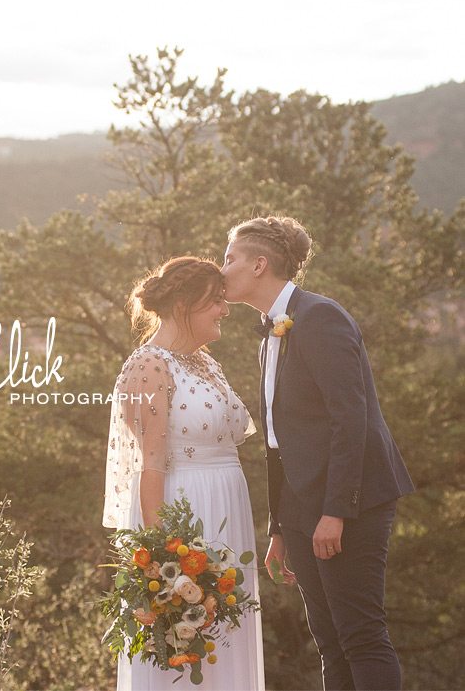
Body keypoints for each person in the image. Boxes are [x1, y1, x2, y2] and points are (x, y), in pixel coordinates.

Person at [221, 216, 415, 691]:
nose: (220, 268)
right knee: (328, 639)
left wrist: (336, 511)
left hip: (351, 500)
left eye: (229, 259)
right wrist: (281, 526)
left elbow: (351, 422)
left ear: (259, 264)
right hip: (301, 506)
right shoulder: (271, 334)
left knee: (361, 635)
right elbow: (278, 440)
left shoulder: (321, 316)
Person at [103, 256, 265, 691]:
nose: (225, 310)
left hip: (227, 515)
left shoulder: (205, 363)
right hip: (185, 517)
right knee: (185, 650)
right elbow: (149, 467)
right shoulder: (149, 366)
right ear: (182, 303)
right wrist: (163, 563)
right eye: (215, 301)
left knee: (226, 639)